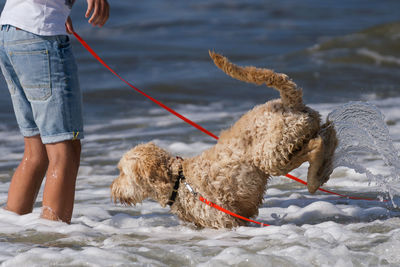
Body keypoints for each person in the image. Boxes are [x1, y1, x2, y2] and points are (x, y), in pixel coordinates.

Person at [0, 0, 109, 223]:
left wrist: (60, 12)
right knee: (65, 150)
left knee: (36, 151)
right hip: (39, 34)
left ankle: (10, 237)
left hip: (11, 32)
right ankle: (53, 246)